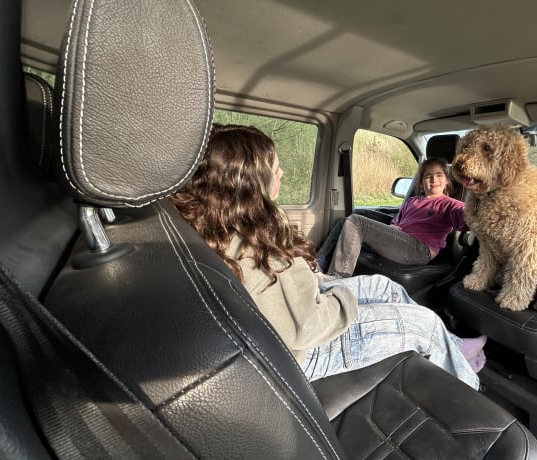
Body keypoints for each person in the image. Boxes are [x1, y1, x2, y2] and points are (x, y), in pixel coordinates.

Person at [170, 125, 486, 389]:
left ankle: (454, 348)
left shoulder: (221, 223)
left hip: (302, 311)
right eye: (276, 167)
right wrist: (342, 297)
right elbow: (308, 325)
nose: (282, 172)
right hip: (302, 350)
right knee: (426, 322)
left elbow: (468, 218)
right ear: (249, 180)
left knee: (383, 287)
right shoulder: (254, 243)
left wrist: (321, 282)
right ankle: (471, 386)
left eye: (438, 177)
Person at [323, 157, 467, 277]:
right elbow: (398, 221)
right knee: (344, 221)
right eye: (428, 176)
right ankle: (318, 263)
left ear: (447, 180)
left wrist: (474, 212)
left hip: (420, 249)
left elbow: (464, 219)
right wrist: (393, 226)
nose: (433, 179)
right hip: (399, 240)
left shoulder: (450, 204)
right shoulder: (412, 201)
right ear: (422, 184)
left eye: (439, 175)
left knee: (356, 222)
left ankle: (337, 278)